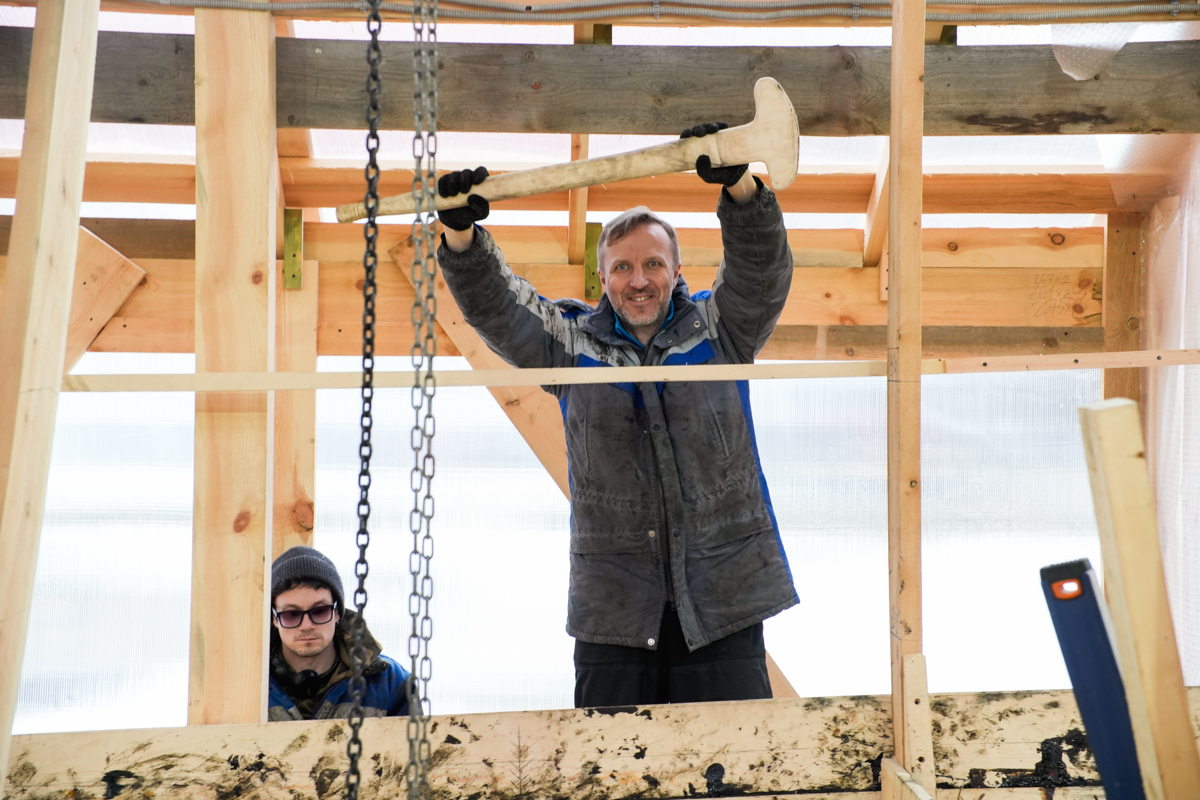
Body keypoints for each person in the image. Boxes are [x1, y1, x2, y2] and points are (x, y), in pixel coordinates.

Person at [435, 122, 798, 708]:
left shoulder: (720, 330)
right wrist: (462, 239)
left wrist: (742, 191)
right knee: (610, 759)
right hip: (615, 611)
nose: (639, 280)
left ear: (676, 271)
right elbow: (500, 310)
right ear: (602, 278)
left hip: (724, 600)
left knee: (731, 759)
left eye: (653, 264)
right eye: (623, 268)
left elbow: (761, 274)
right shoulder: (569, 344)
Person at [268, 546, 409, 720]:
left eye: (319, 611)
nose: (307, 625)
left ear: (337, 613)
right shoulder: (247, 685)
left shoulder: (392, 683)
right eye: (291, 614)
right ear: (274, 619)